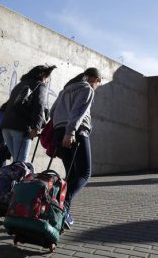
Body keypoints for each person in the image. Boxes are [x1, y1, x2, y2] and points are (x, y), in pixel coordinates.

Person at [50, 67, 102, 229]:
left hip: (59, 132)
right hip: (75, 133)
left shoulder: (64, 91)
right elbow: (79, 111)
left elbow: (52, 112)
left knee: (71, 175)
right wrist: (70, 131)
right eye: (100, 82)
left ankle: (61, 213)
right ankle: (61, 205)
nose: (98, 86)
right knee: (85, 174)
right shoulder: (87, 89)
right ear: (96, 80)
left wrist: (61, 129)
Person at [0, 65, 56, 163]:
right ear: (44, 76)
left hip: (6, 126)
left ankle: (17, 178)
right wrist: (36, 127)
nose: (48, 81)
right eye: (48, 78)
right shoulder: (40, 85)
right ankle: (24, 178)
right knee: (21, 163)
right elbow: (39, 105)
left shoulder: (20, 85)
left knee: (17, 162)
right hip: (21, 127)